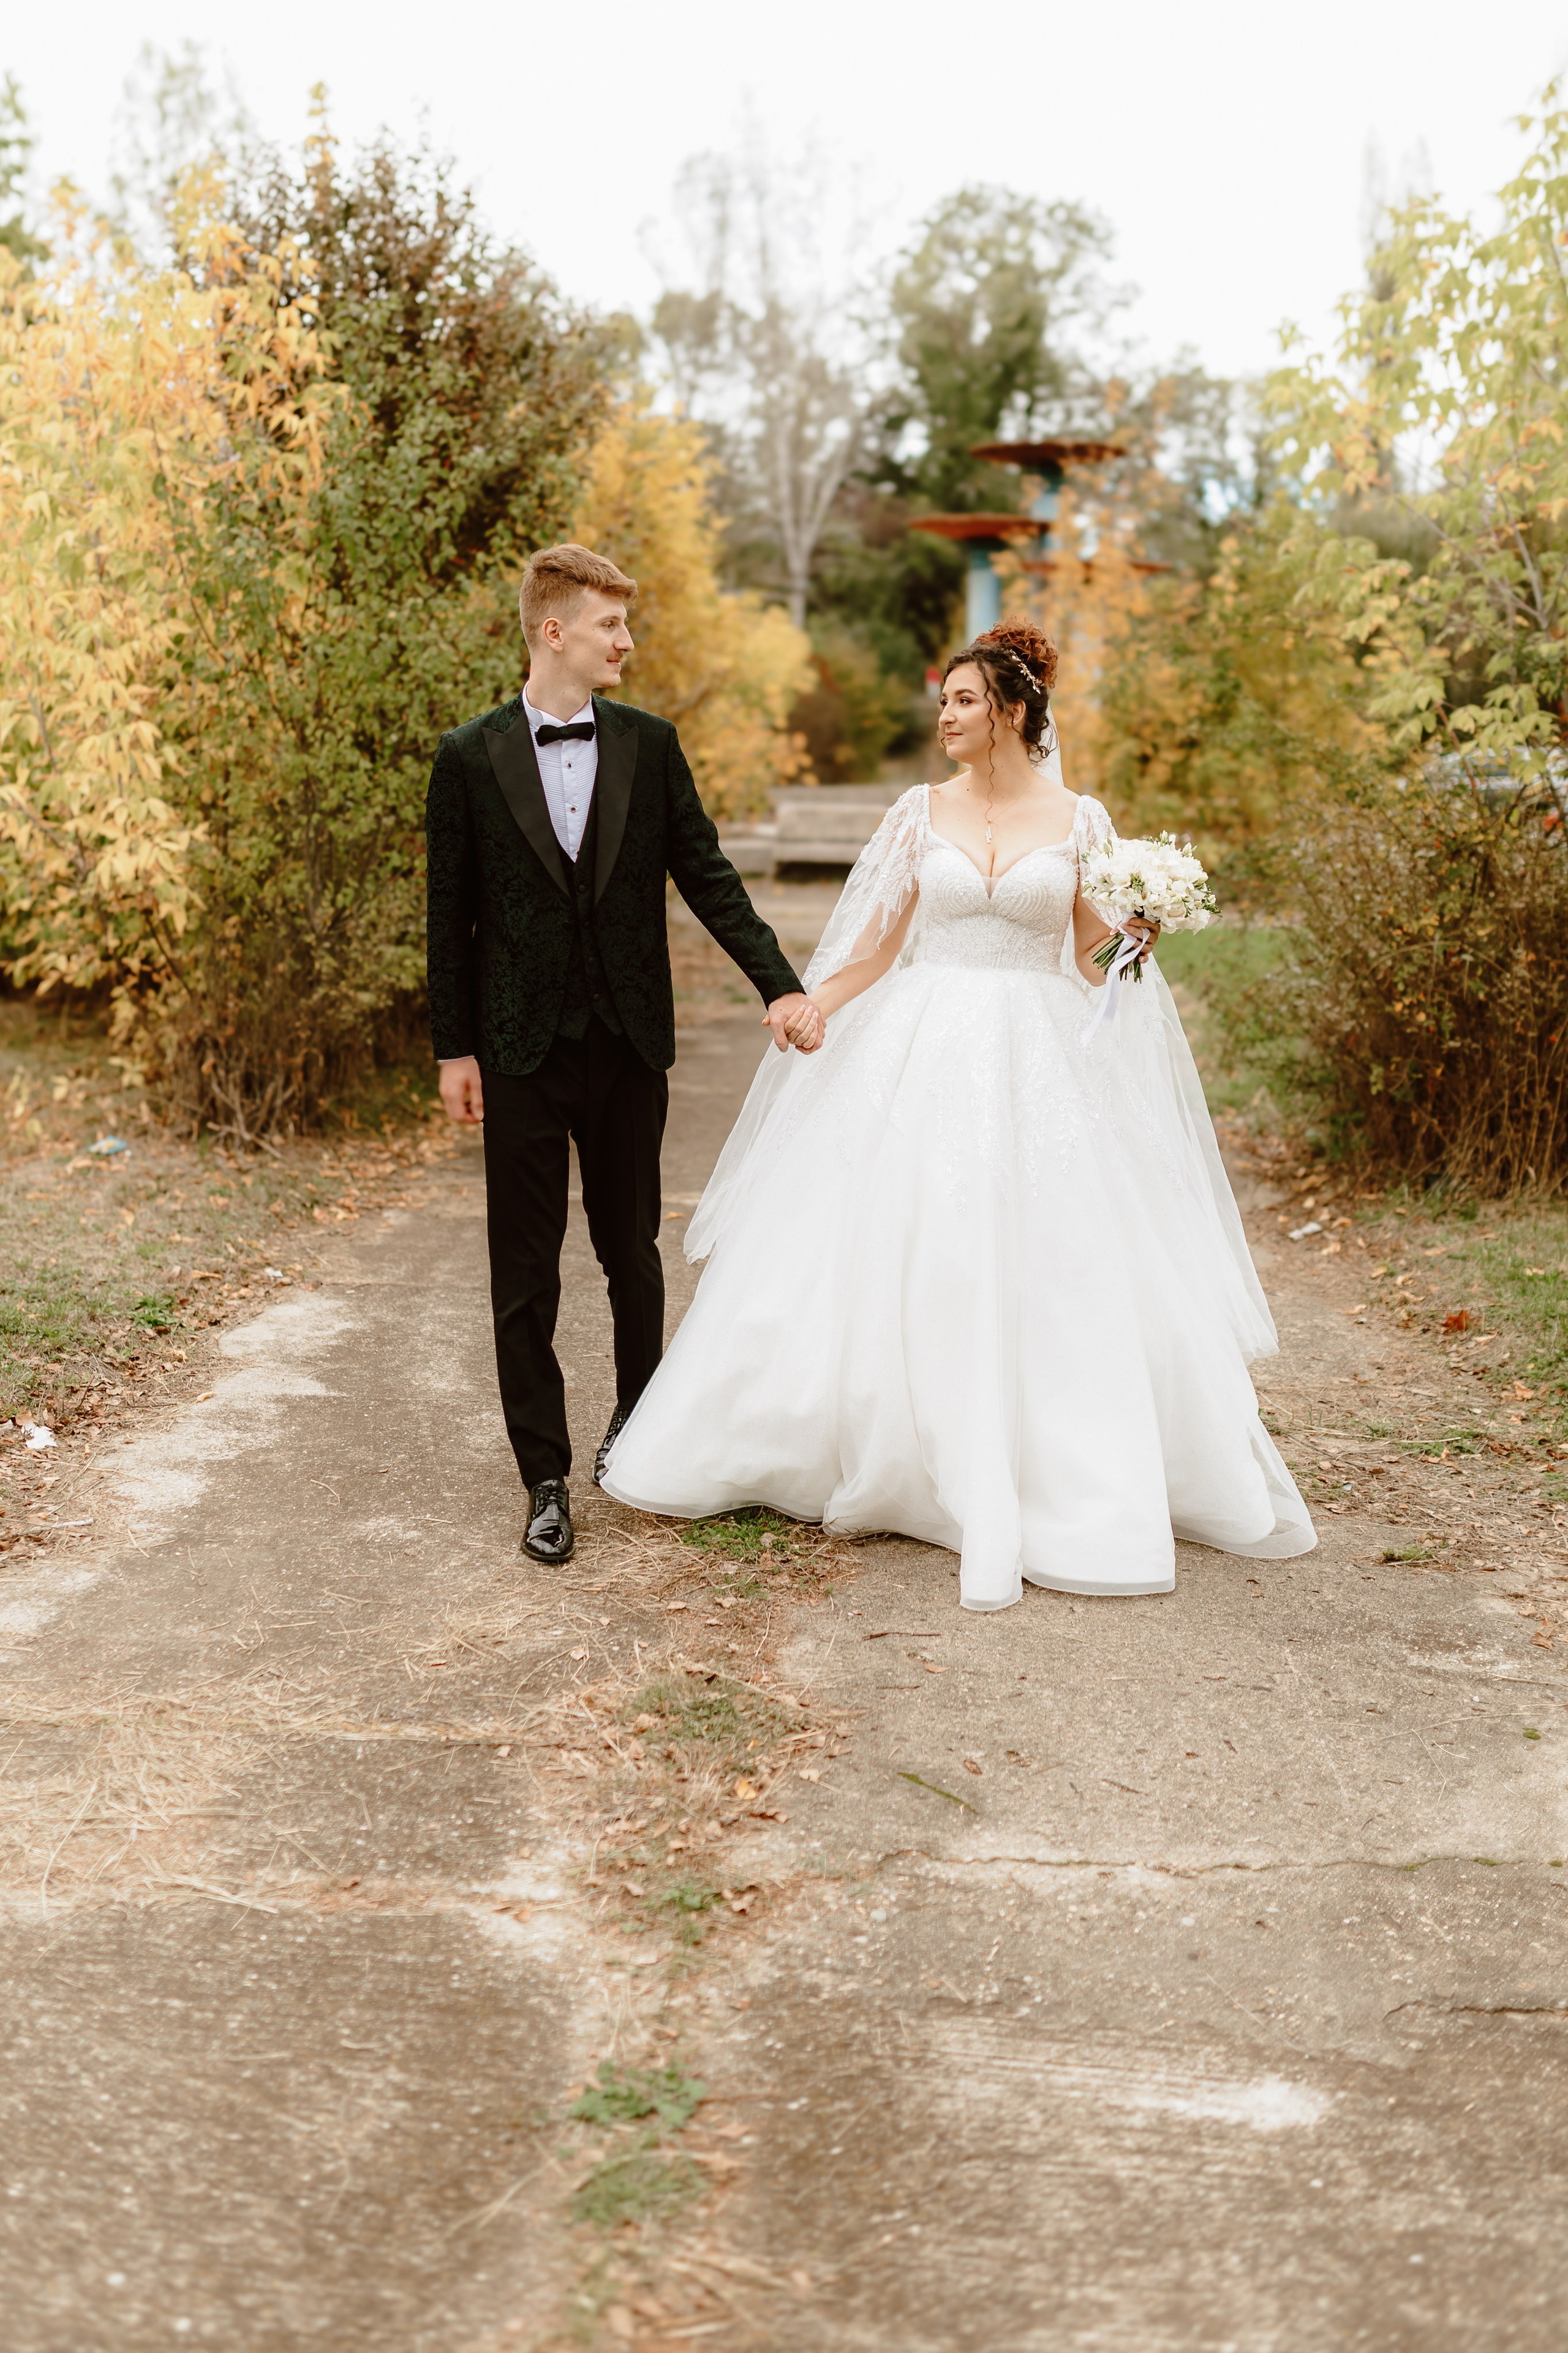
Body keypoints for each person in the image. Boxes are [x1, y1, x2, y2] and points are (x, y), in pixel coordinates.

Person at [602, 616, 1316, 1610]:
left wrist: (1139, 940)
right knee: (904, 1238)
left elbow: (1089, 959)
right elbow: (874, 946)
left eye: (964, 699)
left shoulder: (1081, 820)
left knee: (1047, 1252)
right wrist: (814, 1003)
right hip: (922, 1046)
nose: (945, 713)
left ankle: (1052, 1458)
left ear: (1014, 712)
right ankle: (862, 1438)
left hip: (1042, 1055)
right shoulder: (916, 811)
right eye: (944, 699)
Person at [426, 544, 812, 1566]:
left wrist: (780, 982)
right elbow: (448, 914)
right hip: (515, 1048)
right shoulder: (467, 757)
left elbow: (707, 875)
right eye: (610, 626)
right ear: (555, 631)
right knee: (525, 1270)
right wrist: (452, 1049)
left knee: (631, 1255)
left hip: (629, 1042)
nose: (626, 643)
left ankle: (640, 1437)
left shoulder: (650, 744)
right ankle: (543, 1476)